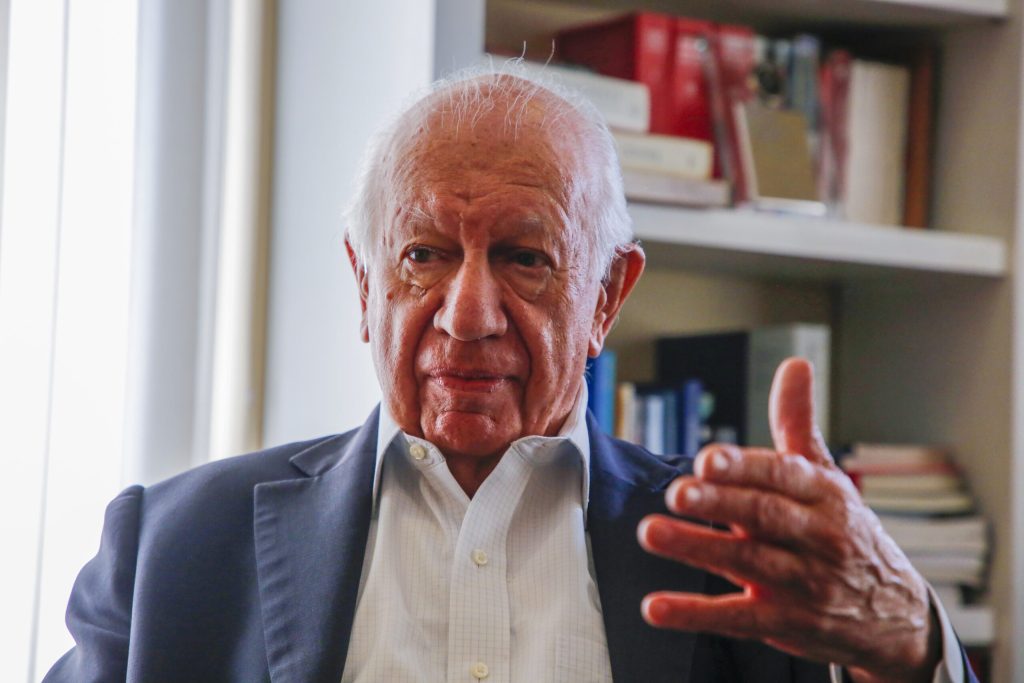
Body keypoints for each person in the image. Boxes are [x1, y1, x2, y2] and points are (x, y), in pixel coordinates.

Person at [45, 66, 975, 682]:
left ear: (608, 295)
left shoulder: (736, 556)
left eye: (526, 258)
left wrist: (908, 642)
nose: (469, 314)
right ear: (365, 284)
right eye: (424, 255)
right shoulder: (171, 547)